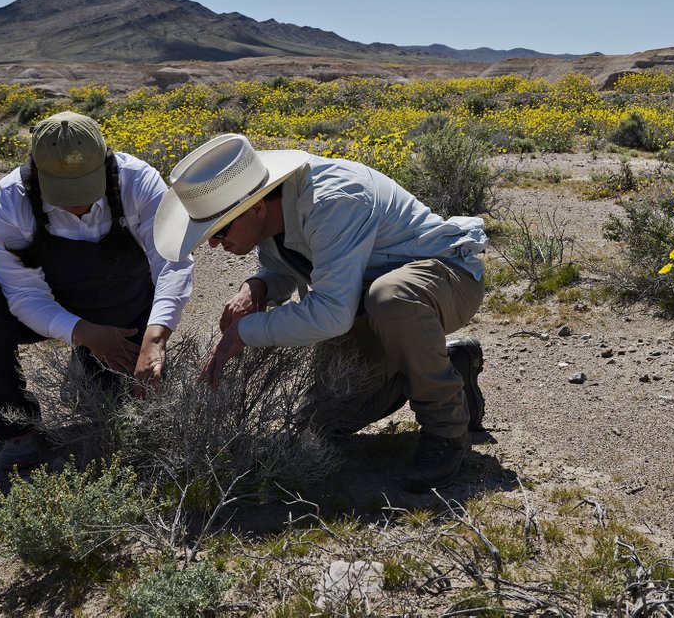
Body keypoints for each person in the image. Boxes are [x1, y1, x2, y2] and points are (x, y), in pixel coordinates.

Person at [153, 133, 488, 492]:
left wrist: (242, 332)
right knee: (328, 418)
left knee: (390, 297)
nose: (215, 245)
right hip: (367, 305)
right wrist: (257, 287)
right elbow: (285, 268)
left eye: (219, 231)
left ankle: (446, 430)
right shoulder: (272, 211)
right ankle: (446, 365)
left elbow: (332, 313)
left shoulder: (332, 201)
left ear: (255, 208)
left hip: (446, 278)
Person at [0, 111, 194, 470]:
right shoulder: (12, 197)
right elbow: (25, 294)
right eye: (62, 191)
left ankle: (87, 368)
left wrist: (155, 339)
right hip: (55, 302)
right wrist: (83, 333)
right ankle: (18, 427)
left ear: (105, 162)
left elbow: (173, 262)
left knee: (115, 410)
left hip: (123, 306)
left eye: (86, 188)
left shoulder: (139, 182)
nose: (76, 204)